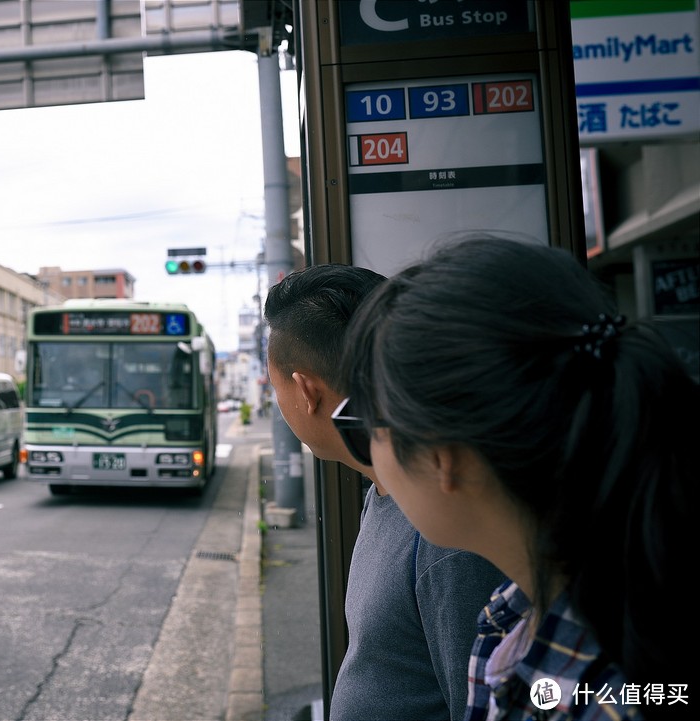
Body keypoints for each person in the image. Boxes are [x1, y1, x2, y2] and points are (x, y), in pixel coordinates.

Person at [336, 236, 695, 721]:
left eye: (367, 428)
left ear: (443, 458)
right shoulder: (516, 611)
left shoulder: (595, 699)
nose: (371, 461)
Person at [263, 263, 507, 721]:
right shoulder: (384, 492)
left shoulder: (448, 538)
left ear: (305, 391)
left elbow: (478, 706)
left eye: (274, 387)